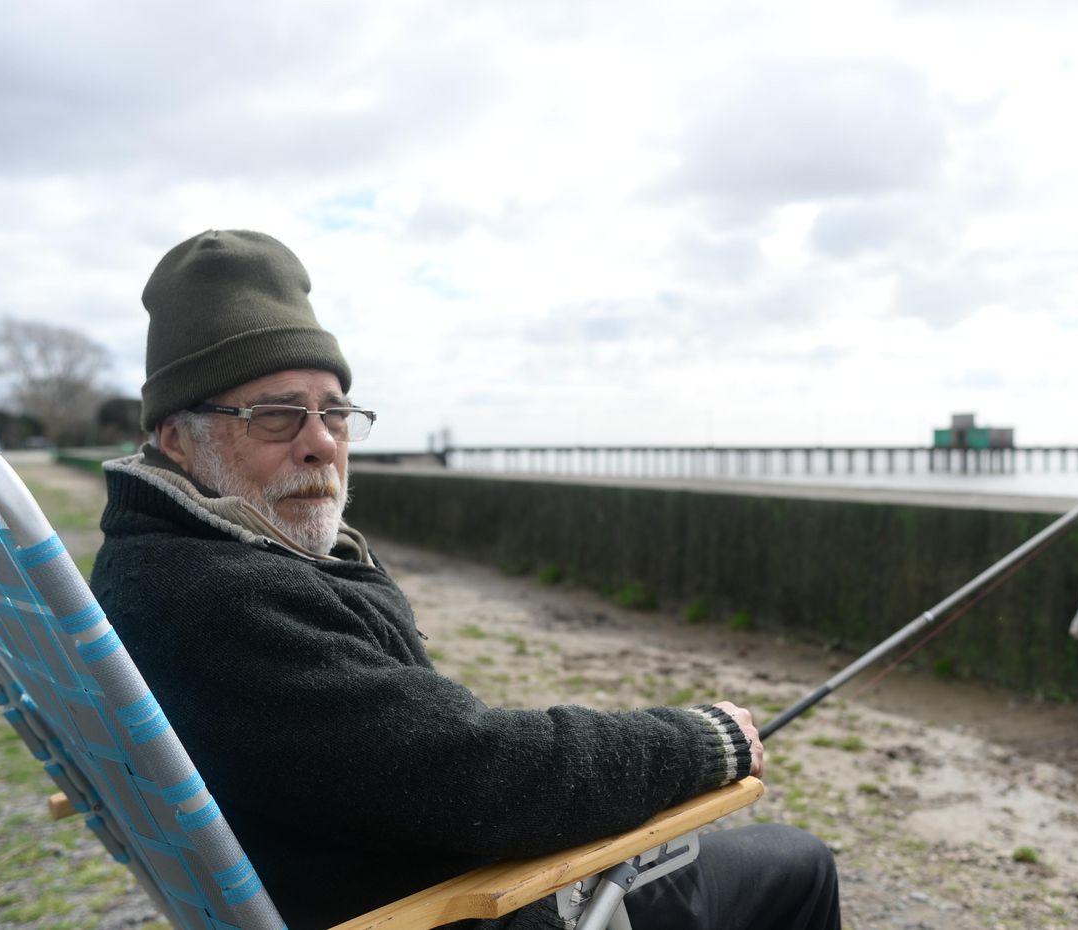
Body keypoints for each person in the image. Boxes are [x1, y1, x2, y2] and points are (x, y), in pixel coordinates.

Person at [92, 229, 840, 930]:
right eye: (276, 415)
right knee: (796, 864)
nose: (321, 444)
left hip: (374, 866)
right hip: (454, 905)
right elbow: (473, 777)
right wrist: (698, 740)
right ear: (176, 440)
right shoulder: (216, 597)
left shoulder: (152, 562)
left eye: (336, 412)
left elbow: (408, 754)